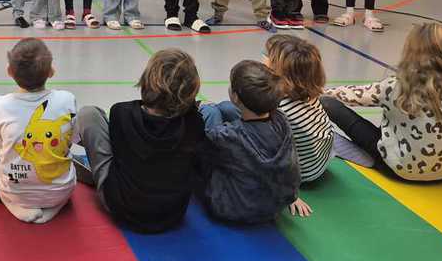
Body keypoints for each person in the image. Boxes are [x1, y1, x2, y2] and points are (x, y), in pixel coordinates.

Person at [321, 22, 442, 180]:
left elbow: (353, 95)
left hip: (398, 169)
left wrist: (321, 92)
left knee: (330, 104)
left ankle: (356, 153)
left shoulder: (397, 86)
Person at [74, 48, 206, 233]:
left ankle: (91, 169)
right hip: (172, 213)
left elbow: (117, 151)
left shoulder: (121, 112)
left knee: (89, 114)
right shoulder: (194, 122)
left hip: (121, 207)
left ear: (147, 81)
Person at [0, 38, 77, 224]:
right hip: (61, 190)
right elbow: (70, 142)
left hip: (16, 192)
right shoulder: (67, 99)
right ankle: (55, 204)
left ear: (9, 71)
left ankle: (12, 203)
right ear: (51, 71)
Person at [198, 60, 300, 223]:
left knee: (209, 111)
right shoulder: (282, 121)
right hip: (273, 207)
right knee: (225, 107)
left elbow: (202, 157)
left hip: (231, 207)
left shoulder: (228, 136)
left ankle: (208, 109)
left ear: (235, 96)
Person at [264, 35, 333, 217]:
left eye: (268, 57)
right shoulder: (308, 93)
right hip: (321, 161)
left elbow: (279, 154)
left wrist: (288, 191)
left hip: (304, 172)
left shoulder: (280, 108)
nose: (264, 59)